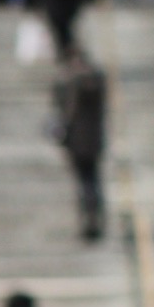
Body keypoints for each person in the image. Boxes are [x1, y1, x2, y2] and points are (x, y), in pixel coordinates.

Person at [48, 45, 109, 241]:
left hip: (77, 141)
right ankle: (94, 216)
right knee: (92, 180)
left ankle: (89, 217)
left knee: (85, 182)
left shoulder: (71, 82)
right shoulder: (98, 80)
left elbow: (62, 106)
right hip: (93, 140)